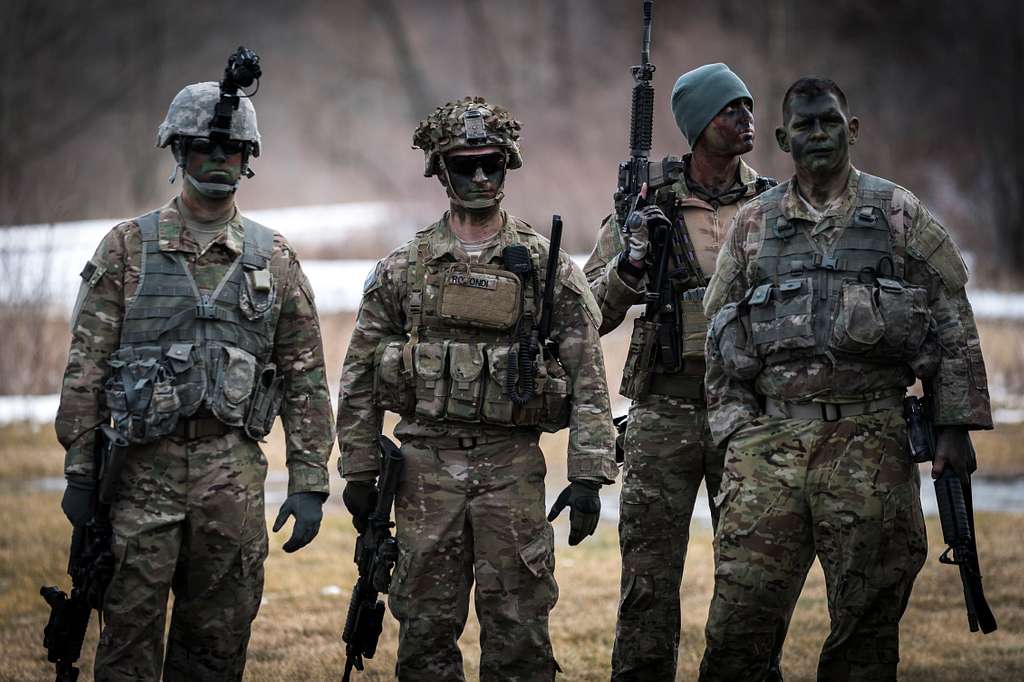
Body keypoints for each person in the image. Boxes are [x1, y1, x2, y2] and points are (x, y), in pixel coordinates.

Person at [699, 76, 993, 681]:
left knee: (865, 635)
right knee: (737, 633)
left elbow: (952, 323)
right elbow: (721, 338)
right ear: (783, 138)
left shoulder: (898, 214)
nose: (818, 134)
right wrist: (734, 433)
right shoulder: (753, 225)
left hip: (873, 447)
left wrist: (954, 428)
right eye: (804, 125)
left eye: (829, 121)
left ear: (851, 129)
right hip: (770, 451)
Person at [55, 77, 335, 680]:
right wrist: (80, 471)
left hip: (230, 477)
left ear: (247, 160)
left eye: (231, 150)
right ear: (178, 152)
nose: (218, 160)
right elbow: (86, 368)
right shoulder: (126, 249)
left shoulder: (274, 258)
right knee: (126, 646)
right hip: (136, 477)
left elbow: (306, 378)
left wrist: (310, 481)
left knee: (215, 648)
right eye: (204, 148)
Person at [336, 96, 618, 680]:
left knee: (519, 635)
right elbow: (359, 376)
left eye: (493, 163)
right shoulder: (403, 269)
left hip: (511, 470)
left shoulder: (545, 268)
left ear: (508, 164)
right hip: (422, 474)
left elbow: (589, 374)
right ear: (442, 170)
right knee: (424, 634)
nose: (481, 176)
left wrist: (589, 476)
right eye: (466, 165)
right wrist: (360, 471)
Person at [583, 63, 783, 680]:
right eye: (732, 111)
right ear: (700, 124)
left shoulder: (774, 203)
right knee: (647, 583)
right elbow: (590, 311)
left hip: (749, 413)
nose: (747, 120)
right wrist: (633, 260)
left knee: (752, 580)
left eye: (749, 108)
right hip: (663, 412)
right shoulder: (649, 203)